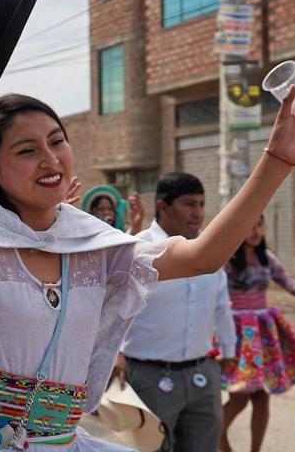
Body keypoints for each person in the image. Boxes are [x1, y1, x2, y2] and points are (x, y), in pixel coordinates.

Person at [0, 79, 295, 451]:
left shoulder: (97, 247)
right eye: (26, 150)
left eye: (57, 141)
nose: (51, 159)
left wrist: (280, 157)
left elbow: (204, 256)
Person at [117, 172, 237, 451]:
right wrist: (115, 354)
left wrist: (229, 353)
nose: (198, 213)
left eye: (201, 204)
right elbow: (115, 309)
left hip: (202, 374)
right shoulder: (138, 249)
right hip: (148, 377)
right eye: (189, 204)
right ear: (162, 206)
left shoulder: (211, 251)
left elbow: (221, 305)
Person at [219, 214, 295, 452]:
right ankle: (219, 440)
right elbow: (214, 295)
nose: (256, 230)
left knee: (262, 397)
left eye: (259, 225)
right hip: (238, 335)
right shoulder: (226, 260)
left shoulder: (267, 258)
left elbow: (289, 283)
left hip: (262, 336)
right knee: (240, 394)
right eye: (250, 225)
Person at [81, 185, 145, 235]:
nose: (106, 212)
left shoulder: (120, 236)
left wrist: (136, 225)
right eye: (101, 209)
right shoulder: (86, 239)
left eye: (110, 209)